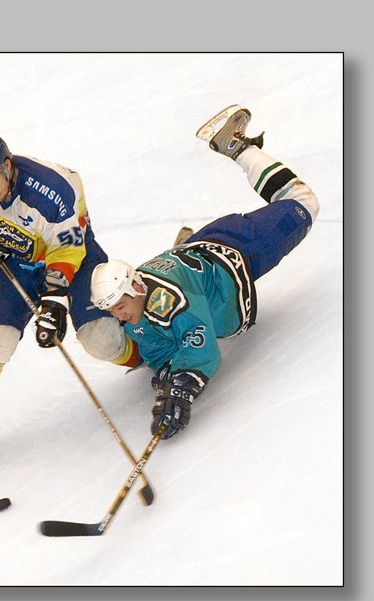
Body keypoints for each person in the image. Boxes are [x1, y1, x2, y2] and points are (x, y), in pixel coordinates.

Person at [90, 105, 320, 440]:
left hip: (240, 250)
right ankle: (190, 269)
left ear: (136, 288)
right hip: (196, 252)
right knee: (176, 305)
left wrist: (180, 387)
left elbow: (203, 349)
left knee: (302, 201)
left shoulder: (166, 302)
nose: (118, 315)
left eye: (119, 305)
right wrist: (167, 376)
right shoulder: (134, 307)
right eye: (111, 309)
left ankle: (236, 146)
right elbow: (158, 349)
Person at [0, 132, 144, 468]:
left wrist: (54, 300)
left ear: (7, 166)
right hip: (16, 262)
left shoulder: (53, 189)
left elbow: (68, 248)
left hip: (75, 257)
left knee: (100, 339)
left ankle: (148, 355)